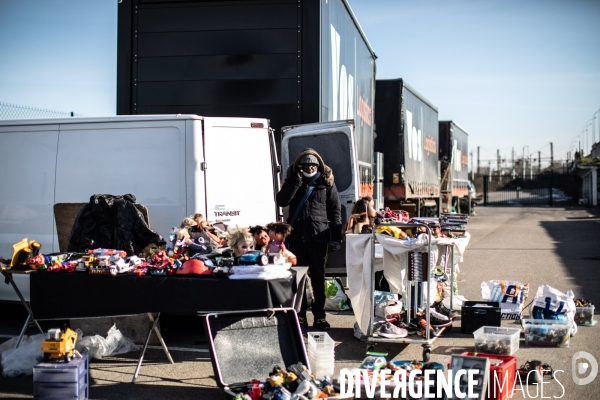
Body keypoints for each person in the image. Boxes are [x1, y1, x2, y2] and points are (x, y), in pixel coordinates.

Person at [276, 148, 342, 331]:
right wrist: (296, 181)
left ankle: (320, 316)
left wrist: (337, 238)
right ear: (300, 167)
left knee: (318, 279)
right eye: (306, 165)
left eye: (313, 165)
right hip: (297, 238)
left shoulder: (326, 183)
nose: (310, 168)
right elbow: (281, 200)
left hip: (318, 237)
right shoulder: (293, 181)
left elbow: (335, 211)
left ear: (318, 166)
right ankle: (300, 315)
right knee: (298, 280)